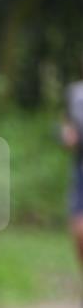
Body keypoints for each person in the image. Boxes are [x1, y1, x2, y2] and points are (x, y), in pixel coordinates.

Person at [61, 68, 83, 289]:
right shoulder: (75, 93)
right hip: (81, 168)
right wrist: (65, 135)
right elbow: (65, 125)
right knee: (78, 231)